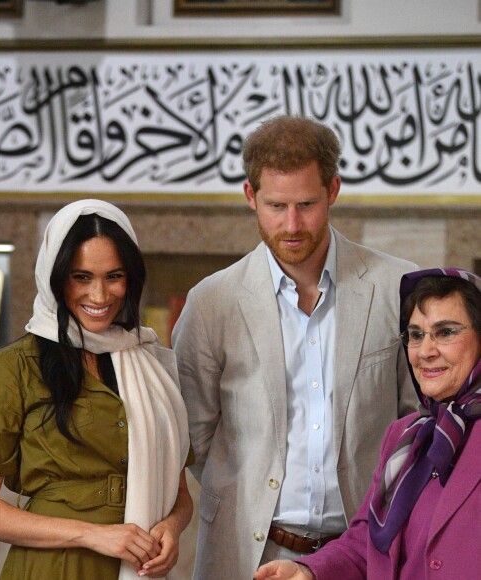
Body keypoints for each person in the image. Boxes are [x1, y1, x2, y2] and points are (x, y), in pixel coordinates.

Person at [171, 115, 419, 579]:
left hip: (365, 551)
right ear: (250, 196)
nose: (291, 224)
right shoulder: (212, 303)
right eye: (276, 205)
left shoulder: (396, 287)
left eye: (306, 204)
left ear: (333, 190)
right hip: (245, 556)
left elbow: (416, 423)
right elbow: (195, 438)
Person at [0, 199, 192, 580]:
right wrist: (92, 534)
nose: (99, 296)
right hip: (54, 568)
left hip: (139, 567)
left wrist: (172, 527)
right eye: (81, 277)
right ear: (55, 277)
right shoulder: (12, 368)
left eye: (114, 276)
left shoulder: (151, 366)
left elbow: (179, 492)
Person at [255, 267, 481, 580]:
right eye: (416, 335)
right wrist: (308, 570)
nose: (426, 351)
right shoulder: (406, 436)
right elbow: (368, 540)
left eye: (445, 332)